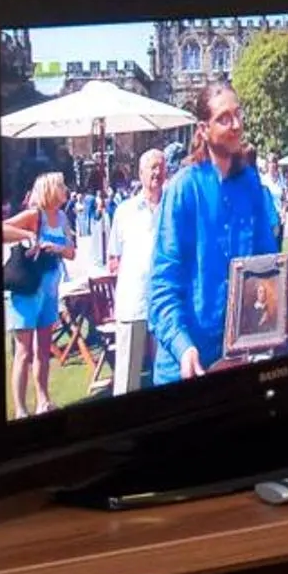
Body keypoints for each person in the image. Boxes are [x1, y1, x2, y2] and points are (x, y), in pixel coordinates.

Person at [147, 83, 282, 382]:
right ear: (203, 129)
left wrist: (279, 320)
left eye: (238, 114)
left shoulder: (250, 184)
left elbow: (267, 264)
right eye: (224, 118)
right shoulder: (184, 188)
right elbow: (162, 285)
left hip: (240, 358)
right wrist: (183, 347)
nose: (236, 125)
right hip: (186, 368)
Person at [0, 171, 77, 419]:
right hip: (27, 291)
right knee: (23, 352)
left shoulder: (62, 217)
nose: (66, 190)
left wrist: (56, 247)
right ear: (51, 190)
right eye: (62, 186)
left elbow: (72, 253)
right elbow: (1, 229)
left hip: (51, 292)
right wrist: (28, 235)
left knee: (44, 350)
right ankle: (21, 410)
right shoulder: (35, 215)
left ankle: (43, 401)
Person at [104, 146, 167, 395]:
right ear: (140, 173)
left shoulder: (173, 207)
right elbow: (113, 258)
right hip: (134, 302)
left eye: (162, 167)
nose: (158, 172)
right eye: (153, 167)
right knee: (128, 379)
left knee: (165, 373)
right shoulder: (125, 211)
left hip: (165, 302)